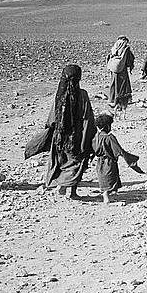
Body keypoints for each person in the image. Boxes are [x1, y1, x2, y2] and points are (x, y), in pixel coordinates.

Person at [44, 64, 96, 198]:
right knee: (76, 163)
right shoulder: (82, 95)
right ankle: (72, 192)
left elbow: (52, 118)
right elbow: (87, 117)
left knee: (62, 161)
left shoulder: (59, 95)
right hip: (76, 137)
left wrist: (52, 131)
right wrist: (89, 135)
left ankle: (61, 184)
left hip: (60, 137)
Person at [91, 112, 142, 204]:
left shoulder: (96, 136)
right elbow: (118, 150)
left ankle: (110, 193)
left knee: (103, 178)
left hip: (99, 161)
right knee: (110, 177)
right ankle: (106, 197)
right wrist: (129, 158)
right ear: (107, 126)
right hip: (109, 161)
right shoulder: (110, 137)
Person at [106, 36, 135, 112]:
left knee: (113, 84)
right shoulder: (126, 49)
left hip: (113, 70)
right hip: (122, 70)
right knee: (122, 85)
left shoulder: (114, 48)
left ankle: (112, 100)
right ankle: (121, 102)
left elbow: (108, 58)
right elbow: (130, 60)